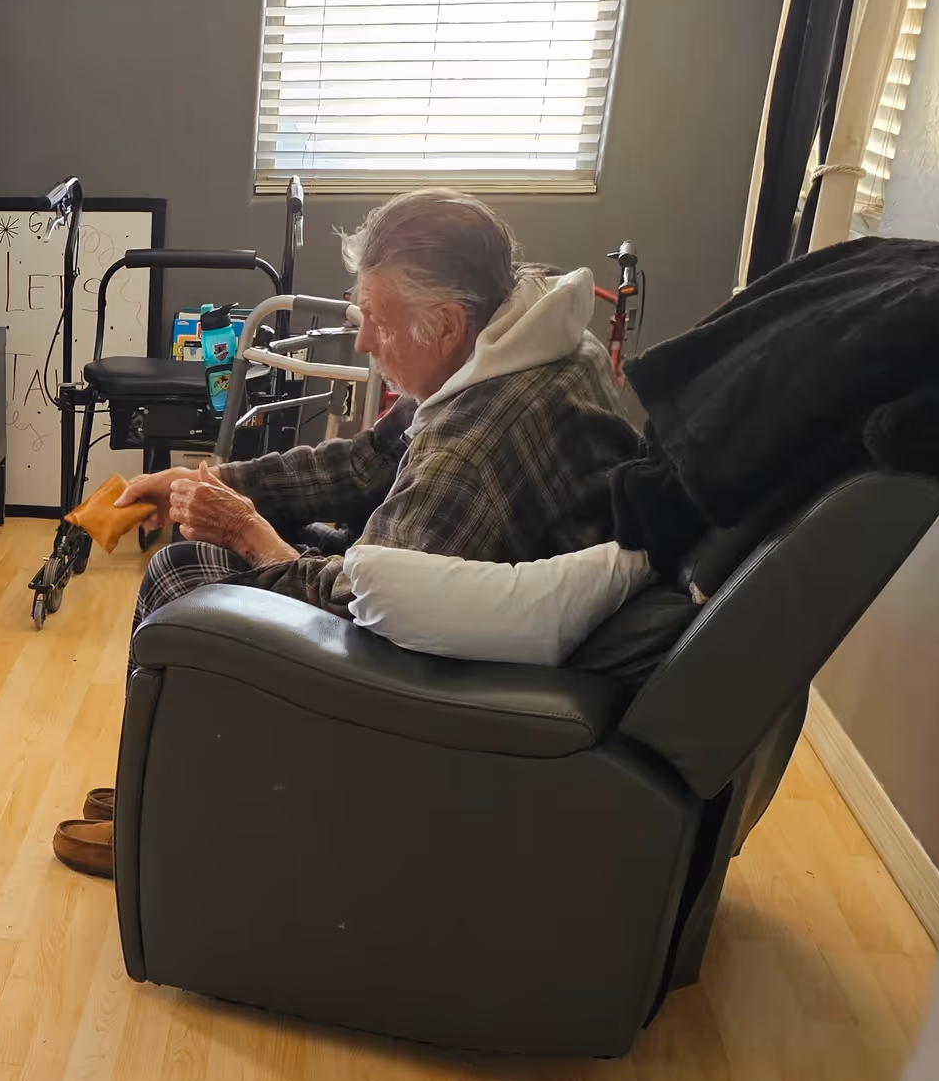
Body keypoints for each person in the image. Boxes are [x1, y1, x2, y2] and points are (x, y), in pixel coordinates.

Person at [51, 189, 643, 876]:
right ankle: (163, 783)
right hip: (460, 604)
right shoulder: (523, 344)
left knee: (186, 572)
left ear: (447, 325)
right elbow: (364, 462)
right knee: (231, 534)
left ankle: (168, 826)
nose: (363, 342)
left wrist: (248, 533)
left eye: (379, 323)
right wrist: (209, 481)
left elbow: (367, 607)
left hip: (450, 677)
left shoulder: (470, 448)